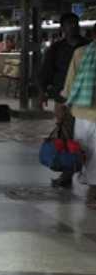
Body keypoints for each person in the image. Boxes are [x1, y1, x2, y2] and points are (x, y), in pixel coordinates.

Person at [40, 13, 90, 188]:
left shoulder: (88, 46)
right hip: (63, 98)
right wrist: (43, 92)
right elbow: (46, 71)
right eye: (69, 24)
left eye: (76, 23)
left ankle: (87, 174)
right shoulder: (56, 48)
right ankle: (67, 173)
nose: (74, 27)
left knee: (85, 139)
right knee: (66, 136)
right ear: (63, 28)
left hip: (85, 99)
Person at [57, 33, 96, 207]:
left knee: (86, 152)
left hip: (81, 110)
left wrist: (63, 103)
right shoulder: (80, 53)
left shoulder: (81, 52)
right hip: (85, 112)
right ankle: (92, 191)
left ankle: (91, 188)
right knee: (90, 153)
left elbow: (70, 82)